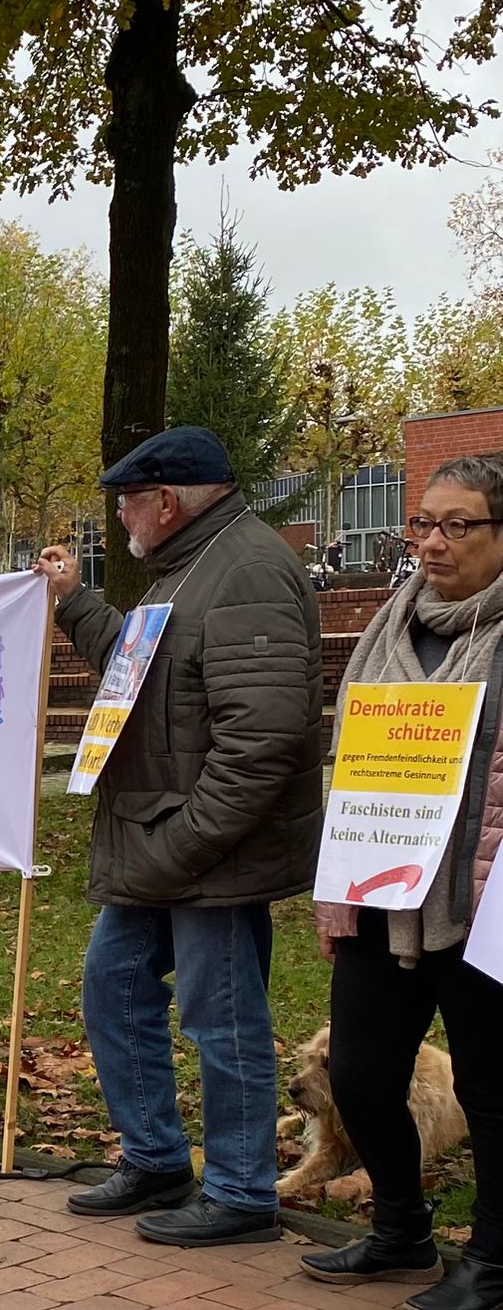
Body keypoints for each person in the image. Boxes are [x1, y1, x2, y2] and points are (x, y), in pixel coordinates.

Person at [35, 426, 321, 1248]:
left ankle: (239, 1192)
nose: (118, 516)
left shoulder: (248, 573)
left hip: (209, 852)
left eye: (126, 501)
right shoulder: (192, 567)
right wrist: (74, 601)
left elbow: (259, 746)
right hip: (171, 843)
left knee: (220, 1016)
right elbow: (140, 672)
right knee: (113, 985)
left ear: (165, 501)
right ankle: (158, 1157)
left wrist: (184, 847)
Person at [302, 454, 503, 1304]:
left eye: (459, 525)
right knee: (359, 1073)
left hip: (483, 896)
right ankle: (399, 1230)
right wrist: (335, 883)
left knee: (489, 1087)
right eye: (422, 523)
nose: (432, 542)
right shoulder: (392, 626)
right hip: (385, 885)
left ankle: (493, 1264)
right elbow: (350, 764)